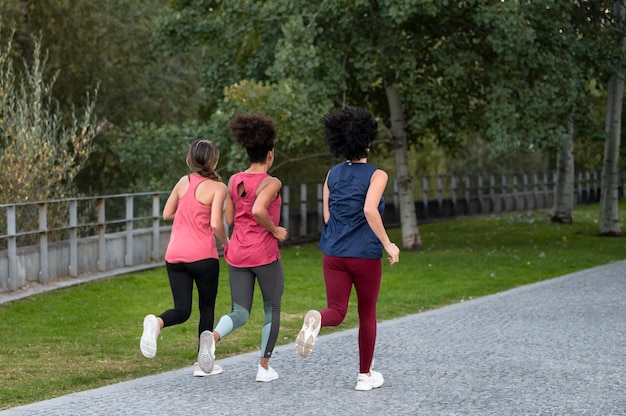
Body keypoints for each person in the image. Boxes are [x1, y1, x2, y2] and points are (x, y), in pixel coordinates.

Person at [295, 106, 400, 391]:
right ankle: (364, 377)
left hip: (333, 253)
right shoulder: (378, 175)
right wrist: (388, 244)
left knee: (337, 311)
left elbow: (328, 216)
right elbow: (369, 209)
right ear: (367, 140)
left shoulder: (332, 174)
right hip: (364, 255)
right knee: (367, 314)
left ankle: (316, 319)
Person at [203, 113, 287, 382]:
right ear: (270, 155)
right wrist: (275, 230)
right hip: (264, 255)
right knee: (272, 309)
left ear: (248, 151)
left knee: (240, 311)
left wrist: (230, 240)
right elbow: (259, 209)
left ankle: (213, 338)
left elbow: (229, 219)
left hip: (237, 253)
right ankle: (263, 368)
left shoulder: (234, 180)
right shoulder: (272, 182)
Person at [140, 139, 229, 377]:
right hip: (203, 257)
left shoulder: (182, 182)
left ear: (191, 158)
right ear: (214, 160)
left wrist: (187, 208)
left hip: (175, 256)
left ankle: (157, 323)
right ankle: (202, 364)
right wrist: (226, 244)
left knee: (182, 309)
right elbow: (215, 223)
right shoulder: (219, 188)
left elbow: (167, 213)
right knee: (206, 308)